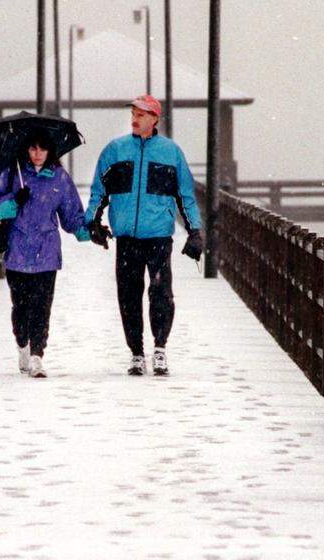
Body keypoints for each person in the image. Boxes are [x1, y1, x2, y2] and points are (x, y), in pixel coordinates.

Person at [84, 94, 203, 376]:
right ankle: (136, 353)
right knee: (128, 296)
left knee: (161, 294)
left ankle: (160, 349)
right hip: (127, 238)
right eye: (133, 114)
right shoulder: (115, 150)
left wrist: (195, 230)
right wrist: (93, 222)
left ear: (155, 119)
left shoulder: (171, 153)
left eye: (141, 114)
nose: (135, 119)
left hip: (158, 236)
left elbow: (186, 195)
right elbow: (98, 191)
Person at [0, 130, 91, 378]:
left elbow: (71, 215)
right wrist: (13, 200)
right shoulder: (12, 174)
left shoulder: (59, 178)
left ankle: (37, 355)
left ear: (50, 151)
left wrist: (88, 232)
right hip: (17, 252)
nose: (37, 154)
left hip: (47, 253)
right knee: (20, 308)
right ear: (26, 149)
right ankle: (22, 344)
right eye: (32, 148)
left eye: (42, 148)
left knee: (42, 307)